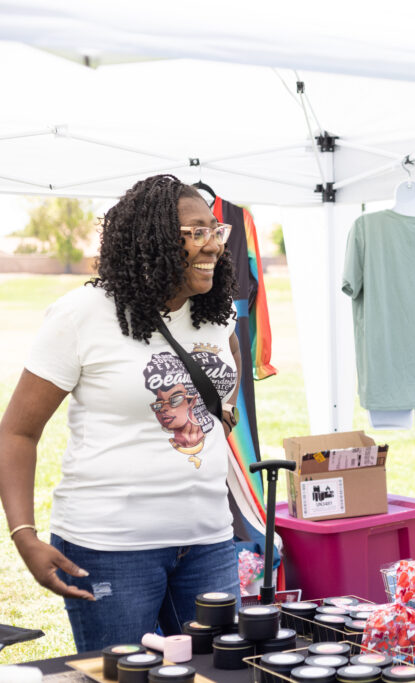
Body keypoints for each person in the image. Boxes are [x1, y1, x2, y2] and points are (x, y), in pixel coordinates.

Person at [0, 175, 243, 652]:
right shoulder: (81, 315)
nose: (213, 244)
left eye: (217, 231)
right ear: (150, 239)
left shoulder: (217, 315)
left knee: (219, 670)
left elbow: (223, 391)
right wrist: (24, 534)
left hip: (209, 541)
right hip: (110, 547)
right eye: (196, 232)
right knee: (125, 675)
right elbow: (18, 433)